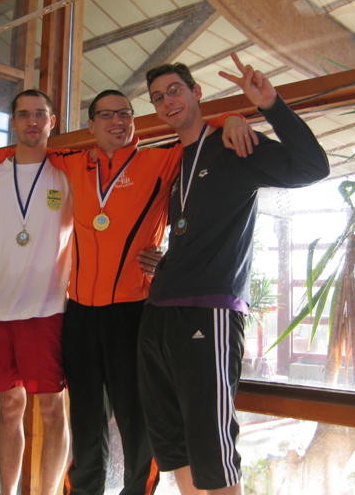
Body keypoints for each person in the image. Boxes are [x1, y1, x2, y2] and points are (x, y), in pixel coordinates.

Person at [0, 91, 257, 495]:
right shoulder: (72, 162)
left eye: (124, 114)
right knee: (86, 418)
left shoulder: (161, 159)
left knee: (136, 417)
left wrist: (231, 117)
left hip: (134, 310)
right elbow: (31, 146)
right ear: (91, 125)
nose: (117, 122)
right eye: (106, 115)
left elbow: (196, 133)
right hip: (80, 313)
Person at [137, 52, 330, 494]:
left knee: (213, 449)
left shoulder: (233, 145)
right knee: (172, 442)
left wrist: (270, 106)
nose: (167, 102)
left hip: (209, 311)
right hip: (159, 311)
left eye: (174, 90)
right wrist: (166, 262)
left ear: (196, 92)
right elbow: (194, 227)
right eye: (157, 97)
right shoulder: (173, 159)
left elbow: (313, 167)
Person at [0, 89, 72, 495]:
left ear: (52, 121)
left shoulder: (67, 173)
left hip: (48, 312)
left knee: (53, 409)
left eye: (40, 114)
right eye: (24, 115)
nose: (32, 122)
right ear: (13, 123)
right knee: (9, 407)